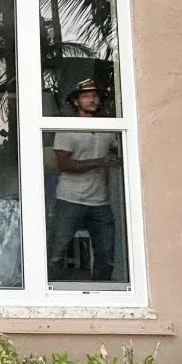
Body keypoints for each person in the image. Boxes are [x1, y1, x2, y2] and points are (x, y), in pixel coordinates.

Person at [47, 80, 120, 280]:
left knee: (106, 254)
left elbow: (119, 150)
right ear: (75, 101)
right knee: (56, 252)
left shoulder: (108, 127)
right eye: (86, 96)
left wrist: (117, 157)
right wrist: (99, 161)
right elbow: (63, 165)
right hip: (70, 198)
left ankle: (102, 292)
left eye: (95, 95)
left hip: (100, 200)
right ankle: (51, 290)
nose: (92, 99)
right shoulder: (68, 128)